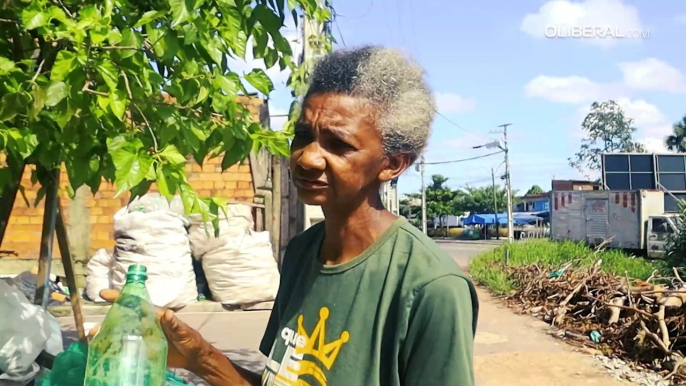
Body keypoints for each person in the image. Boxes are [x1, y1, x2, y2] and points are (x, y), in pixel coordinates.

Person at [98, 45, 479, 386]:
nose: (308, 158)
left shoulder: (431, 288)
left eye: (338, 144)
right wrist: (198, 355)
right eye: (302, 136)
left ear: (391, 164)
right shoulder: (301, 253)